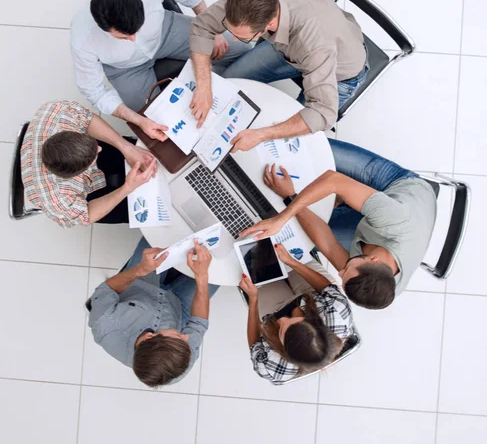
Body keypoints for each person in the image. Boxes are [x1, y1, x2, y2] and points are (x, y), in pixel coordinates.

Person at [241, 140, 437, 310]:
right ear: (374, 260)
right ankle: (352, 199)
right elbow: (333, 180)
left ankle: (351, 201)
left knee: (305, 231)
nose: (340, 271)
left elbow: (329, 245)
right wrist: (281, 217)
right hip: (400, 186)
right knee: (309, 146)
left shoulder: (374, 285)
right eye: (347, 269)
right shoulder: (394, 220)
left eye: (342, 277)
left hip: (383, 226)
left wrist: (290, 196)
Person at [71, 0, 250, 138]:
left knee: (241, 49)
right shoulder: (83, 38)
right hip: (126, 69)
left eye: (137, 29)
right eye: (124, 37)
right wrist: (139, 121)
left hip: (166, 33)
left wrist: (212, 30)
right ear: (104, 28)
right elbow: (95, 92)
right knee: (158, 122)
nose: (133, 39)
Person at [189, 0, 367, 146]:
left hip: (340, 72)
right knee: (229, 81)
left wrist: (261, 135)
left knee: (292, 137)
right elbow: (202, 26)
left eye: (242, 37)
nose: (233, 40)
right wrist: (204, 86)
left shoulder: (315, 43)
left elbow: (322, 112)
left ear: (270, 24)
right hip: (286, 48)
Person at [88, 237, 217, 387]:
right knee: (218, 268)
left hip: (141, 283)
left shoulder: (105, 323)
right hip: (178, 310)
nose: (187, 335)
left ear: (149, 336)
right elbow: (198, 324)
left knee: (156, 234)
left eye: (178, 334)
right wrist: (202, 276)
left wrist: (141, 269)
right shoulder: (178, 362)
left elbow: (107, 289)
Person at [21, 100, 156, 227]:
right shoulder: (57, 200)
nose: (100, 148)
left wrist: (126, 147)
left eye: (94, 146)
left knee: (144, 151)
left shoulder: (59, 114)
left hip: (70, 145)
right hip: (84, 197)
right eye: (95, 154)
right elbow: (88, 214)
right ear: (78, 174)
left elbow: (88, 120)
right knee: (147, 209)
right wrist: (127, 188)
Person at [238, 245, 353, 384]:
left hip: (274, 310)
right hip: (312, 293)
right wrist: (292, 262)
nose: (283, 320)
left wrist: (253, 299)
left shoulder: (272, 368)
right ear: (313, 322)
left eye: (282, 330)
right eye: (293, 321)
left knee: (255, 266)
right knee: (291, 248)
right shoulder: (338, 314)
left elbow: (255, 345)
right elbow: (326, 288)